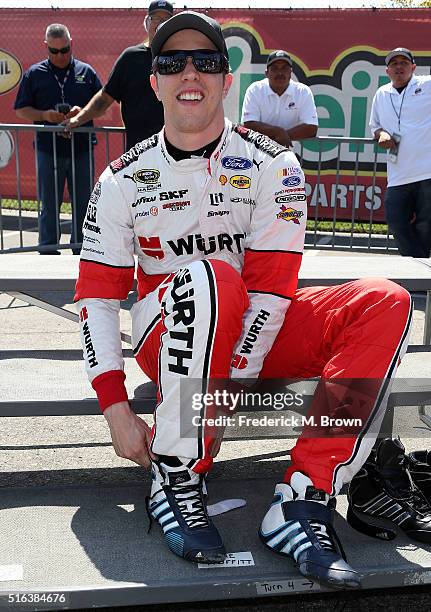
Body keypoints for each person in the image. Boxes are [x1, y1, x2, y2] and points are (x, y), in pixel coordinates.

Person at [75, 12, 412, 589]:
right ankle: (177, 473)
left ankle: (304, 495)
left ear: (227, 81)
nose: (189, 73)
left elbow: (274, 285)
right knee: (212, 279)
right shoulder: (121, 179)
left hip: (257, 329)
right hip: (170, 332)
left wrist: (233, 377)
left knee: (384, 300)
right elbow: (98, 300)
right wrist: (114, 407)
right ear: (152, 82)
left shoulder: (272, 162)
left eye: (206, 62)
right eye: (171, 62)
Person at [14, 23, 102, 254]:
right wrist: (45, 115)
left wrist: (81, 113)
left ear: (71, 44)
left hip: (81, 149)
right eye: (54, 51)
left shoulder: (86, 72)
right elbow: (21, 109)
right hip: (48, 149)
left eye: (64, 50)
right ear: (46, 47)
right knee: (49, 204)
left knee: (83, 203)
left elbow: (101, 106)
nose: (60, 56)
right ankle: (48, 249)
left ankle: (82, 249)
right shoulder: (34, 73)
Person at [64, 0, 173, 151]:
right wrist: (77, 119)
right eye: (155, 18)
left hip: (176, 152)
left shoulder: (180, 56)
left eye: (165, 20)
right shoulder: (130, 58)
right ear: (146, 22)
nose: (160, 23)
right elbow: (104, 99)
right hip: (139, 151)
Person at [369, 47, 431, 257]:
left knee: (425, 226)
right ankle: (418, 269)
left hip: (427, 172)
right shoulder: (381, 93)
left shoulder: (427, 85)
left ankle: (420, 279)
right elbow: (374, 126)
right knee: (396, 221)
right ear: (387, 70)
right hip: (398, 174)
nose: (399, 67)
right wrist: (381, 134)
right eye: (394, 64)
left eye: (404, 63)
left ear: (413, 67)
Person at [241, 50, 318, 148]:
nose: (280, 73)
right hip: (257, 153)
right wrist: (278, 132)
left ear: (290, 72)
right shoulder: (255, 90)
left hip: (291, 155)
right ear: (267, 73)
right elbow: (248, 124)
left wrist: (283, 136)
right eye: (275, 68)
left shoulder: (303, 91)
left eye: (284, 68)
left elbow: (311, 128)